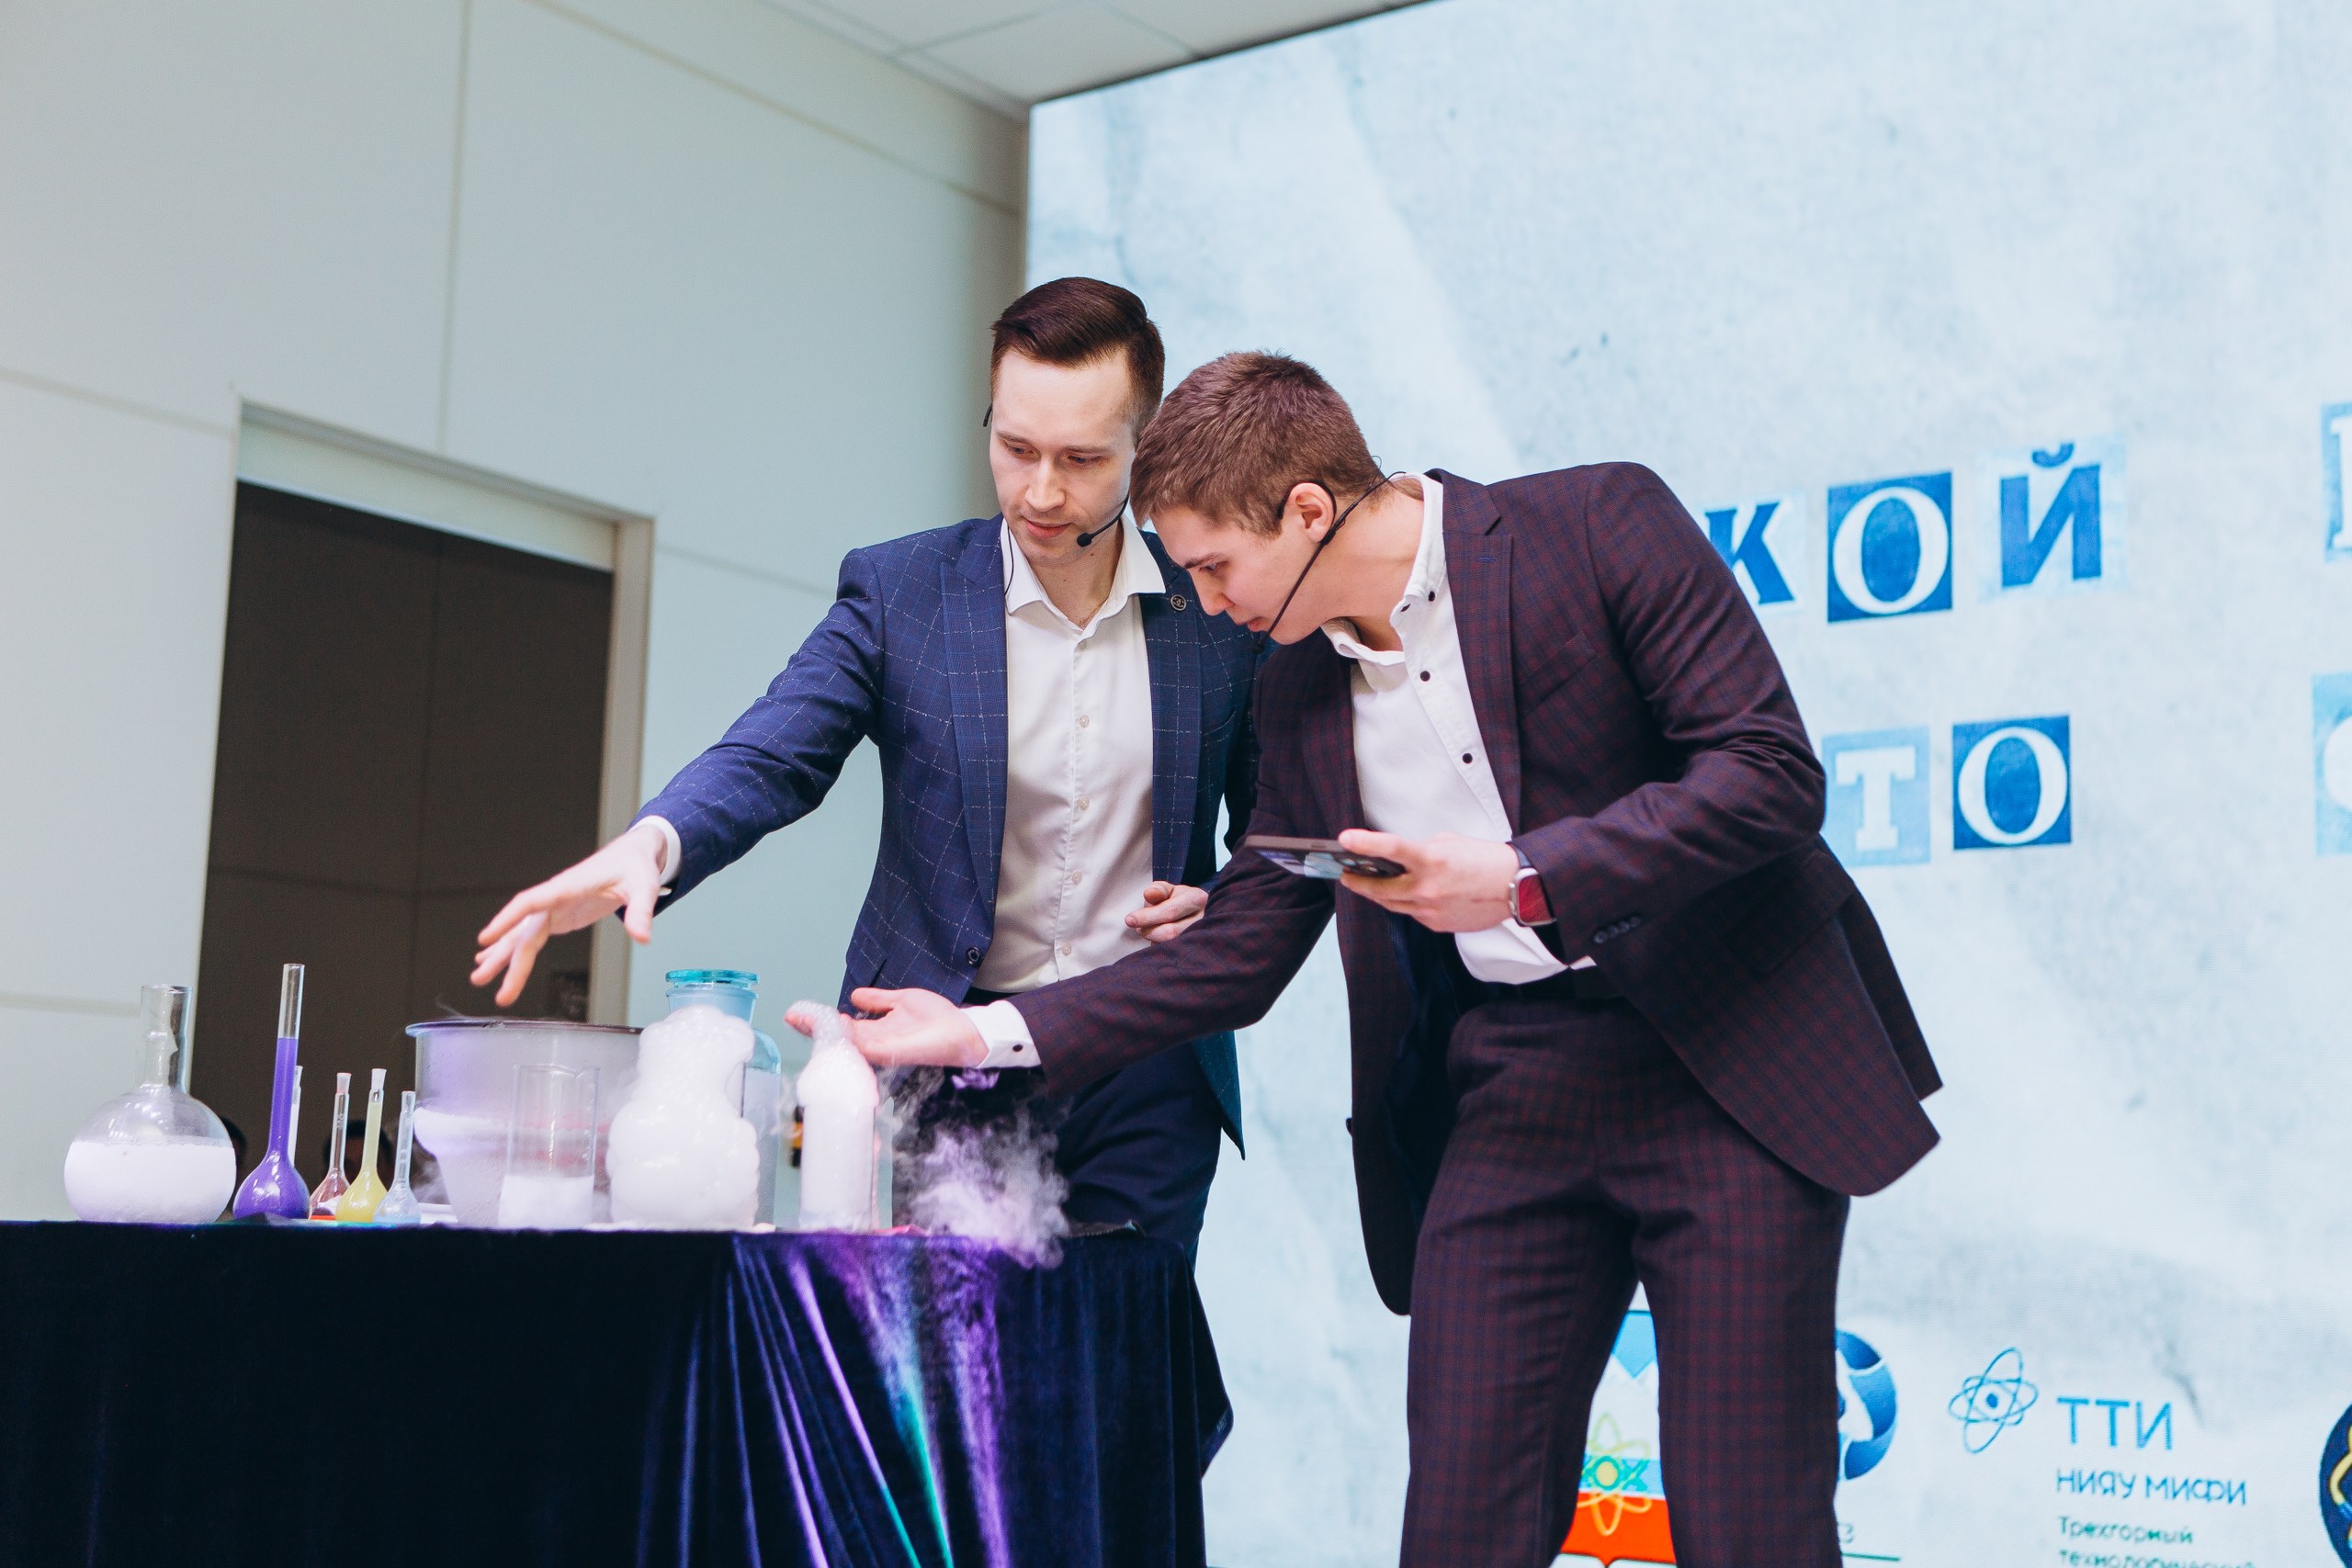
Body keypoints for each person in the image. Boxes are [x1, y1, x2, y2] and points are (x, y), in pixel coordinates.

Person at [806, 352, 1944, 1567]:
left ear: (1307, 509)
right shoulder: (1298, 690)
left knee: (1750, 1525)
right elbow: (1243, 948)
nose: (1204, 603)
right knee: (1457, 1527)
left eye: (1213, 565)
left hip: (1721, 1062)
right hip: (1513, 1085)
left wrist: (1523, 876)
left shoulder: (1598, 523)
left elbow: (1768, 774)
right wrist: (979, 1032)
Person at [470, 280, 1261, 1258]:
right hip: (940, 1044)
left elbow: (1271, 832)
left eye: (1082, 459)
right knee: (941, 1342)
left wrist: (1224, 900)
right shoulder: (905, 592)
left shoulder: (1218, 609)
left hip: (1144, 1057)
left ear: (1144, 446)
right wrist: (653, 842)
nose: (1041, 492)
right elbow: (775, 750)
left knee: (1125, 1338)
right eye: (1015, 448)